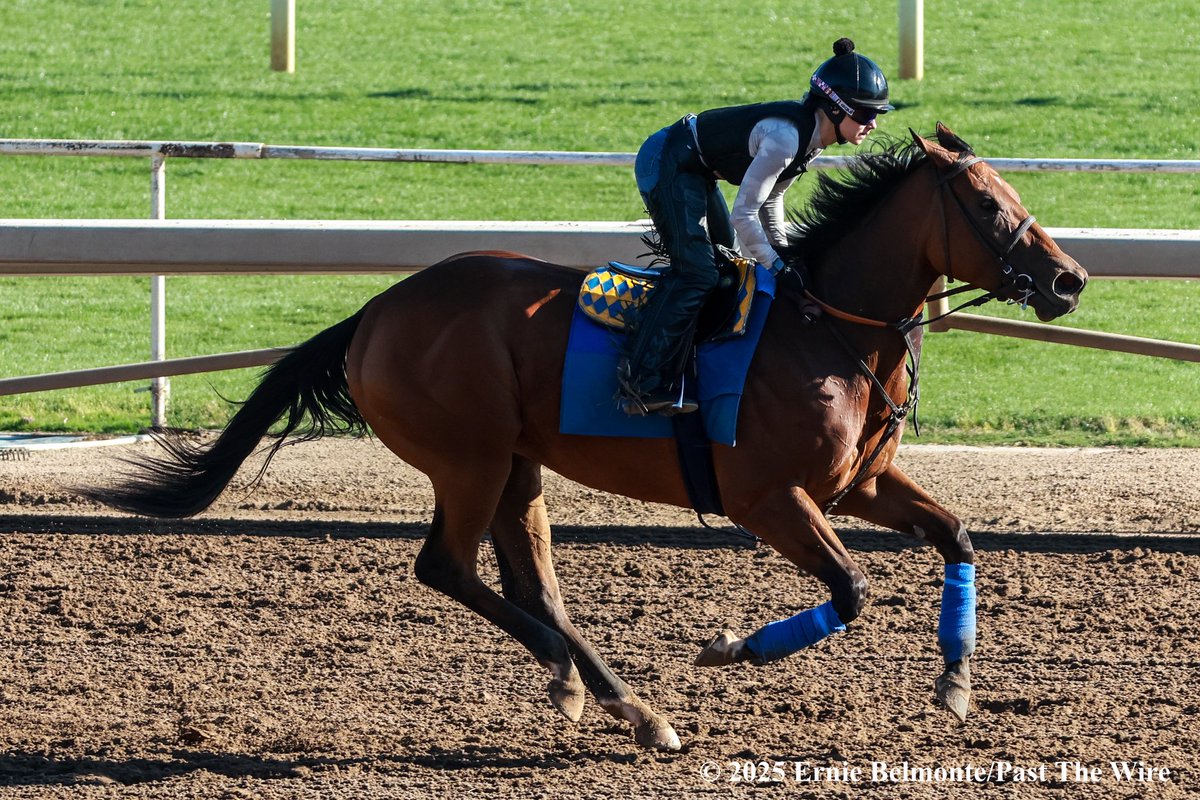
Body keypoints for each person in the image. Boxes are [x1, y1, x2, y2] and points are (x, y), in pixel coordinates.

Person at [618, 37, 894, 416]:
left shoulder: (811, 141)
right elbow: (743, 214)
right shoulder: (785, 139)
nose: (872, 124)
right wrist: (777, 267)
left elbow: (771, 200)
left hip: (695, 169)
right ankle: (641, 380)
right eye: (864, 114)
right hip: (668, 159)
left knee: (724, 266)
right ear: (835, 108)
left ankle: (687, 360)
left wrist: (783, 255)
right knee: (698, 273)